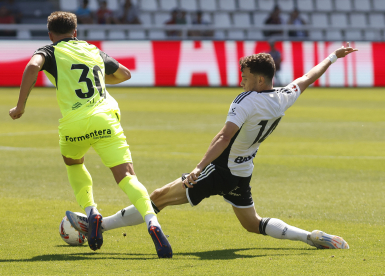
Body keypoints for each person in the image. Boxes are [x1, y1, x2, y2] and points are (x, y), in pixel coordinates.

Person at [67, 43, 358, 250]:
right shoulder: (285, 95)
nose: (241, 82)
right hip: (243, 171)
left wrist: (198, 168)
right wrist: (333, 56)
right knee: (252, 223)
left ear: (259, 79)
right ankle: (309, 236)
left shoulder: (246, 101)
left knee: (158, 197)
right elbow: (308, 77)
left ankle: (97, 226)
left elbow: (223, 137)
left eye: (245, 78)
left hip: (220, 169)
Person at [8, 11, 172, 258]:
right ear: (76, 32)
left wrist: (20, 106)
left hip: (74, 125)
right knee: (127, 176)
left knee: (73, 163)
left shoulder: (50, 51)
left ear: (51, 34)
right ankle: (153, 224)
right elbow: (125, 74)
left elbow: (33, 66)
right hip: (105, 119)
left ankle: (92, 211)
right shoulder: (93, 50)